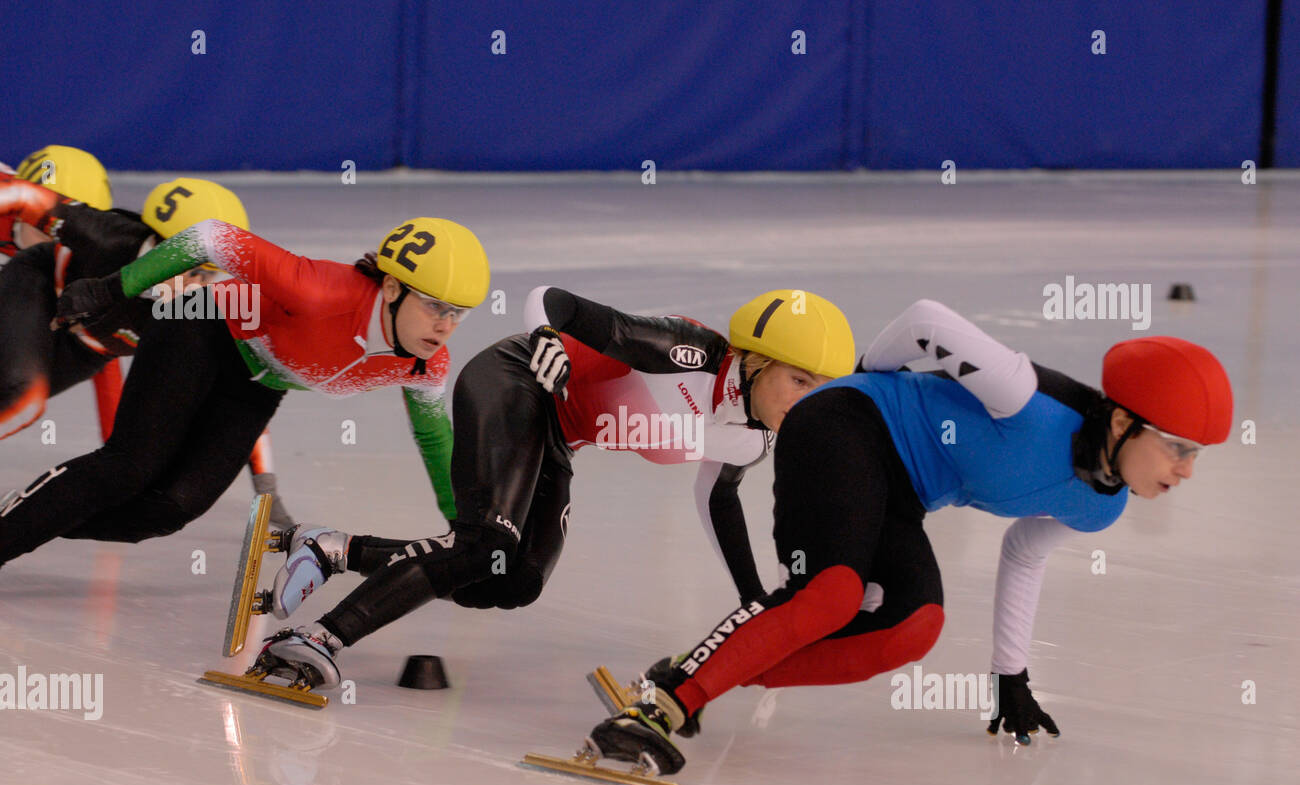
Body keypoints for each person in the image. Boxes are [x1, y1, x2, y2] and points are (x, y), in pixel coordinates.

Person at [586, 299, 1233, 775]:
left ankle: (697, 676)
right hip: (844, 423)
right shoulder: (1024, 398)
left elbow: (1023, 554)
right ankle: (660, 706)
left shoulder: (1100, 507)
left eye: (1197, 454)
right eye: (1177, 447)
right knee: (831, 593)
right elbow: (925, 322)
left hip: (902, 490)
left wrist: (1011, 676)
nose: (1186, 469)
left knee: (912, 626)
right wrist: (870, 376)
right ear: (1122, 421)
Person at [245, 286, 855, 691]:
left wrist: (751, 597)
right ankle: (318, 636)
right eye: (799, 380)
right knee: (485, 544)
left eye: (822, 387)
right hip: (514, 381)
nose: (810, 402)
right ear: (752, 361)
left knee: (512, 582)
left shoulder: (752, 439)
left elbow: (717, 500)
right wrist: (542, 337)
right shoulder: (688, 352)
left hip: (557, 438)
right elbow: (554, 300)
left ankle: (333, 549)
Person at [0, 215, 488, 566]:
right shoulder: (320, 291)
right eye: (433, 306)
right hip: (202, 329)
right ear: (390, 288)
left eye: (457, 313)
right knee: (129, 467)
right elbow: (211, 237)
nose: (445, 325)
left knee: (170, 510)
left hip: (257, 382)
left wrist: (463, 526)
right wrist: (113, 288)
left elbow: (434, 439)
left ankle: (25, 521)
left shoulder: (425, 366)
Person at [1, 159, 294, 521]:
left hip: (85, 347)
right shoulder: (110, 237)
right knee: (24, 397)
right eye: (190, 267)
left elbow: (237, 396)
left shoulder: (195, 311)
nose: (195, 284)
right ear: (157, 245)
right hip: (38, 287)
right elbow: (24, 194)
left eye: (210, 274)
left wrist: (268, 491)